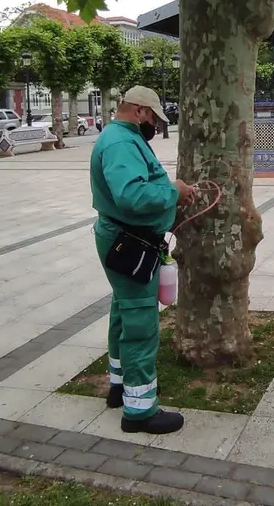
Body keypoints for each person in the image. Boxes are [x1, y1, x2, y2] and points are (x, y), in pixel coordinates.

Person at [90, 85, 197, 434]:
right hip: (128, 241)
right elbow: (133, 195)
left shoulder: (120, 137)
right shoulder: (122, 142)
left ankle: (120, 386)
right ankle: (139, 411)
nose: (154, 124)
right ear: (138, 110)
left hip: (124, 238)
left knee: (124, 310)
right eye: (152, 116)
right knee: (139, 319)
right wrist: (174, 192)